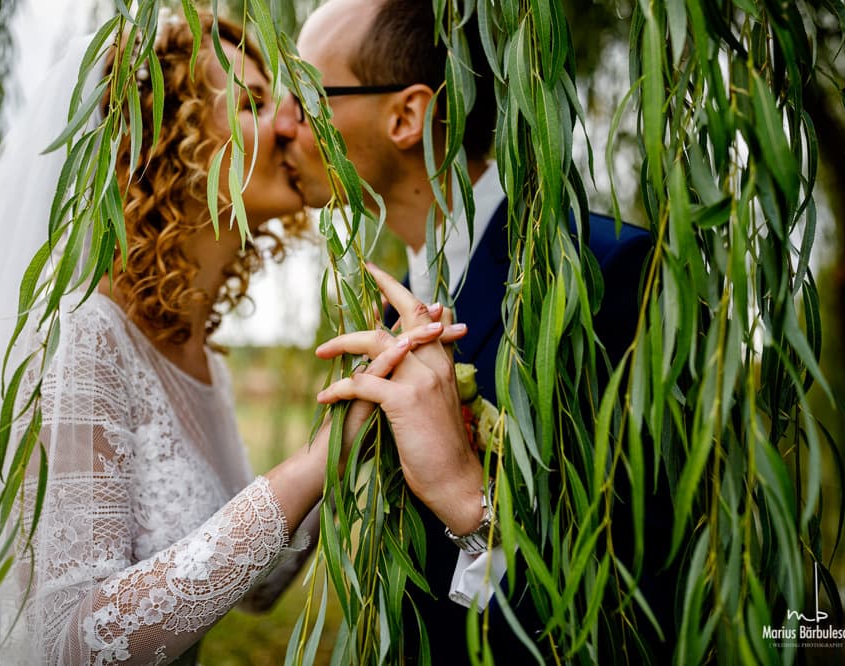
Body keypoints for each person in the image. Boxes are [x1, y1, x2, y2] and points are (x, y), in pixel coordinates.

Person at [0, 11, 465, 665]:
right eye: (252, 104)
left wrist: (365, 419)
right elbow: (71, 641)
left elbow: (259, 585)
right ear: (167, 145)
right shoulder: (75, 339)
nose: (294, 124)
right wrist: (311, 463)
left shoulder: (197, 350)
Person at [281, 0, 673, 661]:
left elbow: (642, 601)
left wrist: (469, 498)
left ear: (405, 116)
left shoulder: (602, 275)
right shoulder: (393, 315)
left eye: (305, 98)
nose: (279, 126)